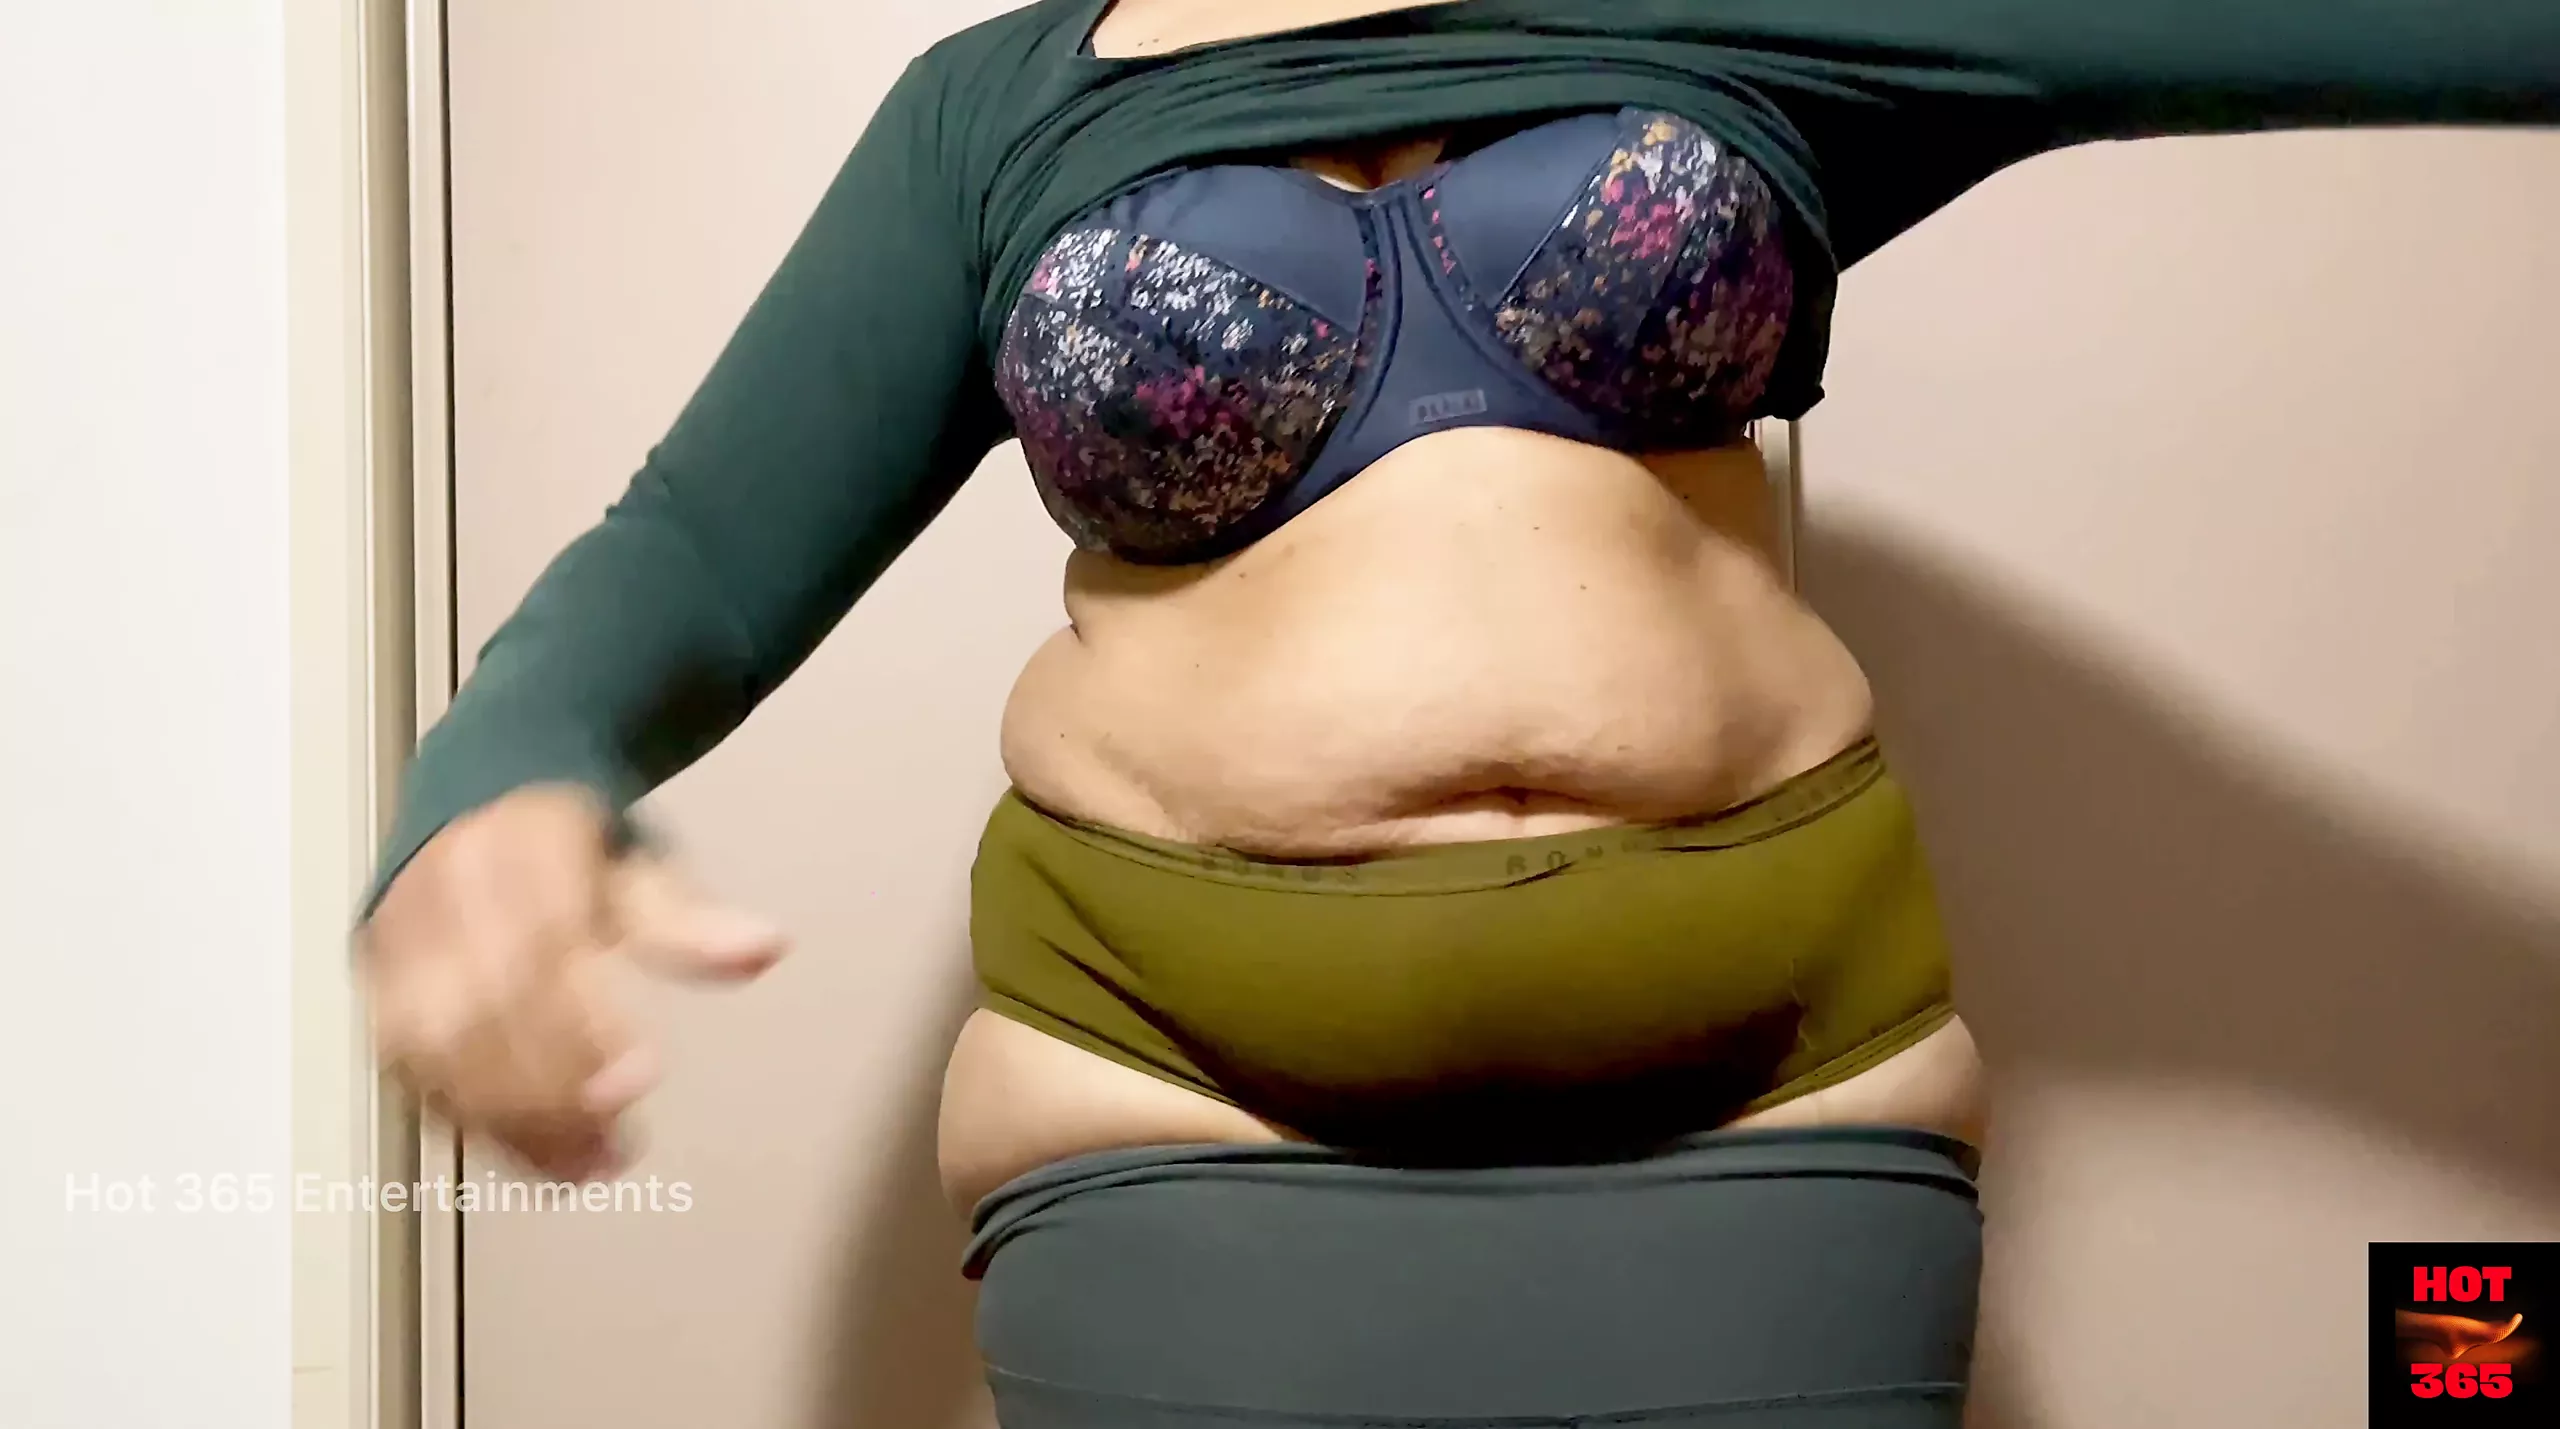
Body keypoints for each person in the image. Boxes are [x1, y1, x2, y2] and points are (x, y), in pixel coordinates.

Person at [359, 1, 2560, 1423]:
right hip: (1182, 1136)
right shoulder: (998, 112)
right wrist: (494, 786)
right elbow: (694, 551)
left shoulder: (1742, 12)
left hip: (1772, 1135)